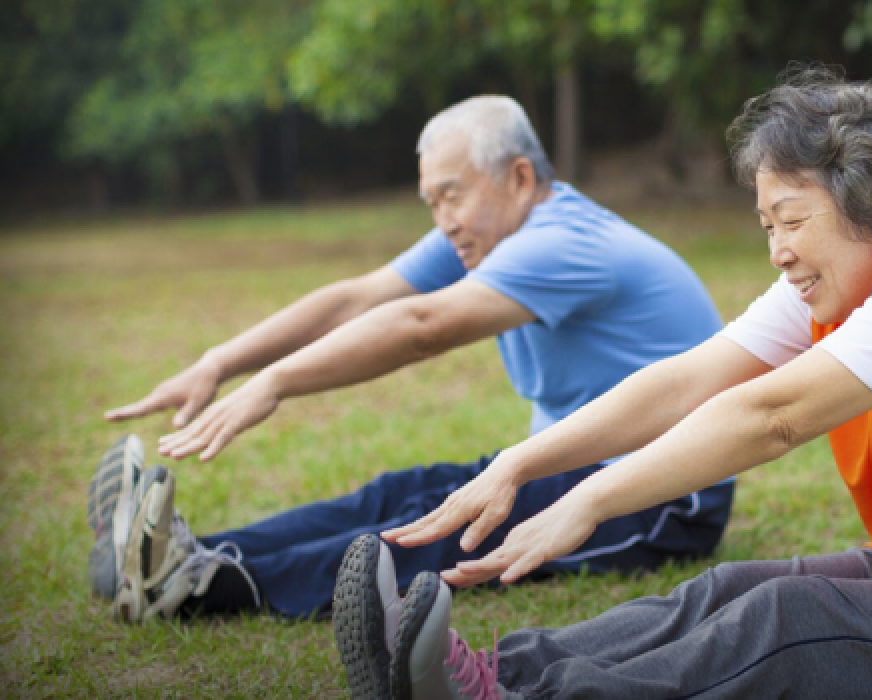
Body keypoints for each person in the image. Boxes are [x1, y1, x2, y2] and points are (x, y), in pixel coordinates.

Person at [337, 69, 872, 700]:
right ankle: (479, 674)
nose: (778, 251)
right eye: (767, 227)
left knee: (786, 622)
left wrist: (588, 500)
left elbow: (773, 418)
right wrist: (521, 465)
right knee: (723, 590)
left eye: (792, 220)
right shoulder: (843, 281)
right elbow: (688, 380)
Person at [90, 95, 734, 625]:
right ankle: (193, 553)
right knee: (403, 494)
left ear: (518, 178)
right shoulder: (487, 230)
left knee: (438, 527)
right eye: (432, 202)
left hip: (664, 497)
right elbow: (357, 299)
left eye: (452, 195)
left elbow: (420, 327)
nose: (443, 220)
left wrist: (278, 382)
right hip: (567, 460)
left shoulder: (564, 243)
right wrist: (221, 361)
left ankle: (206, 586)